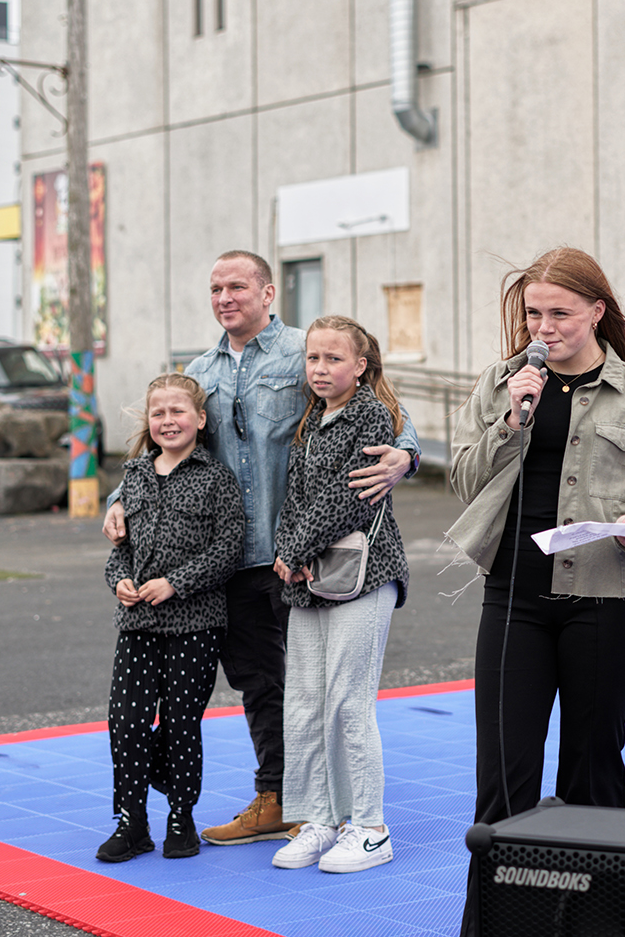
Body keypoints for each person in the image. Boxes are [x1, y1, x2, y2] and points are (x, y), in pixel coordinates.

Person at [101, 250, 421, 848]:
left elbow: (381, 409)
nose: (226, 298)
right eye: (216, 288)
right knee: (263, 685)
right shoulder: (200, 370)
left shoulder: (311, 352)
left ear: (268, 293)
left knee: (329, 688)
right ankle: (280, 799)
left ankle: (335, 807)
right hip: (236, 559)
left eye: (239, 287)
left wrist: (407, 455)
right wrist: (120, 497)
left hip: (309, 557)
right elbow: (164, 441)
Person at [448, 248, 625, 934]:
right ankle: (498, 926)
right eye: (533, 313)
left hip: (605, 605)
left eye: (559, 313)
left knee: (592, 774)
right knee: (504, 781)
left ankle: (595, 924)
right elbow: (465, 482)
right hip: (513, 600)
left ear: (596, 312)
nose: (544, 327)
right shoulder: (502, 385)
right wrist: (512, 420)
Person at [266, 316, 409, 874]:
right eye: (313, 359)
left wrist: (295, 551)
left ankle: (370, 828)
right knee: (305, 702)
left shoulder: (370, 415)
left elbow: (350, 495)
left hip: (361, 578)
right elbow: (294, 497)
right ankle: (320, 819)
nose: (320, 369)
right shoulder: (311, 419)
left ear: (361, 365)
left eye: (333, 359)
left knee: (350, 702)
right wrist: (288, 552)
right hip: (308, 581)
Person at [96, 374, 244, 864]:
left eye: (177, 411)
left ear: (200, 420)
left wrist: (177, 583)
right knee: (126, 721)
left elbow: (229, 548)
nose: (167, 421)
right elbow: (122, 551)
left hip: (196, 623)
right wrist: (117, 579)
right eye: (158, 413)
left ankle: (181, 815)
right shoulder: (134, 477)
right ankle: (131, 820)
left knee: (181, 723)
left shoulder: (216, 478)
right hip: (137, 625)